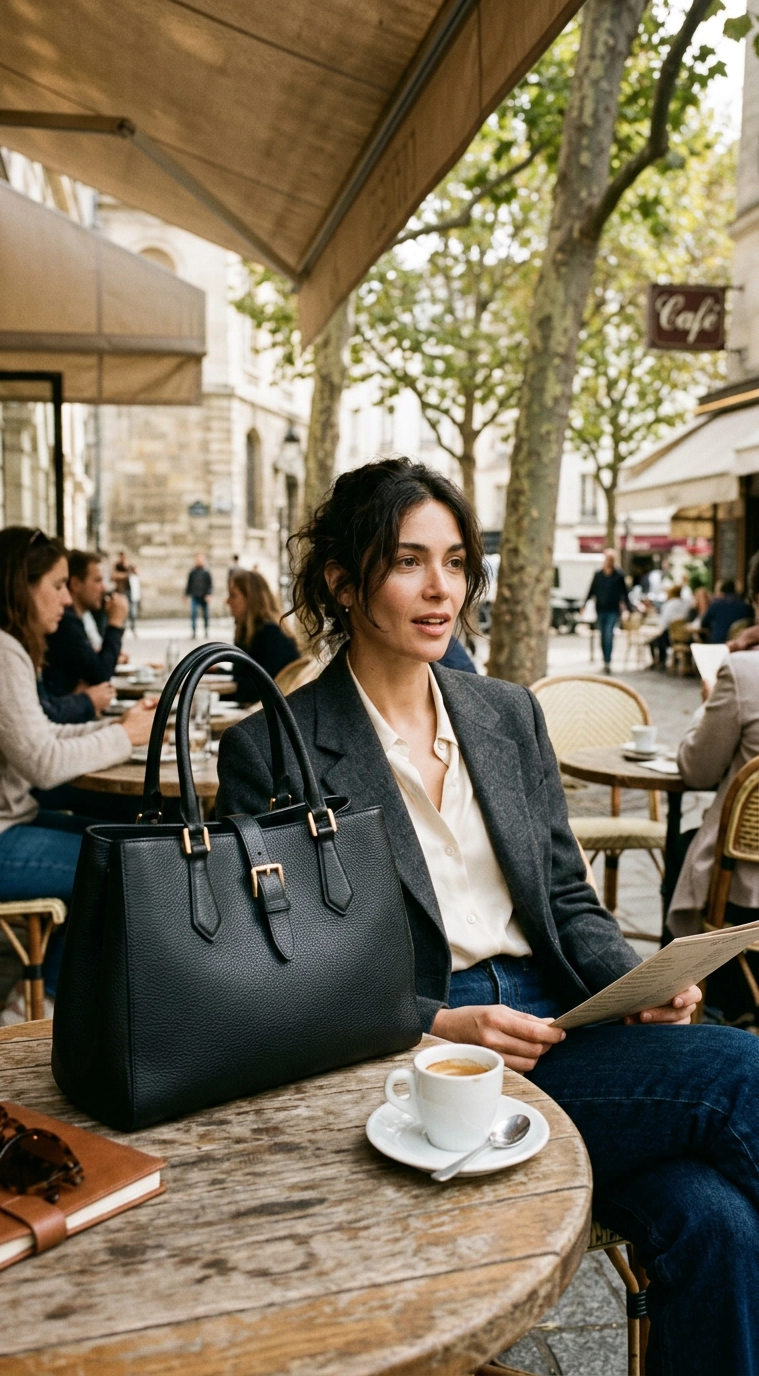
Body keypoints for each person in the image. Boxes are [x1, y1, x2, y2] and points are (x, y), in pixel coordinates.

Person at [217, 458, 759, 1376]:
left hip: (561, 1025)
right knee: (740, 1072)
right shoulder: (276, 746)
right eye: (409, 562)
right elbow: (283, 969)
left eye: (458, 561)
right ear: (345, 581)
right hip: (421, 1060)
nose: (442, 590)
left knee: (719, 1226)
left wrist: (633, 986)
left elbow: (568, 897)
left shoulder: (504, 714)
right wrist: (432, 1021)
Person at [0, 527, 155, 1023]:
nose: (66, 598)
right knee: (126, 866)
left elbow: (37, 735)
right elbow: (41, 762)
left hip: (10, 823)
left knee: (128, 840)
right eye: (58, 584)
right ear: (22, 584)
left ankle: (60, 991)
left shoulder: (5, 646)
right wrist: (124, 736)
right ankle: (39, 1005)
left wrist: (114, 727)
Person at [667, 553, 759, 1015]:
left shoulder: (743, 672)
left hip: (746, 890)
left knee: (683, 851)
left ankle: (685, 1001)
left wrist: (707, 703)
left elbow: (696, 771)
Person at [42, 549, 127, 697]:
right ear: (75, 584)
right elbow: (100, 674)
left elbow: (95, 665)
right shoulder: (65, 621)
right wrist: (114, 624)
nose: (104, 588)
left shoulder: (80, 617)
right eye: (97, 580)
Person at [226, 569, 299, 700]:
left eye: (233, 595)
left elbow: (261, 687)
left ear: (250, 598)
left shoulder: (270, 634)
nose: (227, 601)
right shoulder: (249, 632)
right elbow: (246, 676)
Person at [582, 549, 629, 673]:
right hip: (600, 609)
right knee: (602, 636)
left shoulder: (619, 575)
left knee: (609, 634)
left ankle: (608, 661)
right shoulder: (598, 574)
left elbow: (625, 593)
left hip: (613, 610)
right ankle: (605, 659)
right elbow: (591, 590)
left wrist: (628, 609)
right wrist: (584, 604)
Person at [646, 583, 687, 670]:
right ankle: (663, 661)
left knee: (654, 641)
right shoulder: (685, 604)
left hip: (671, 634)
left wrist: (659, 629)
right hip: (684, 635)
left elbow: (664, 621)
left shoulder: (669, 604)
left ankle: (659, 661)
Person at [701, 578, 754, 644]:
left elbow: (704, 623)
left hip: (718, 643)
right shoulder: (746, 606)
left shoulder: (716, 604)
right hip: (740, 644)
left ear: (721, 591)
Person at [185, 553, 213, 637]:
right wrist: (186, 594)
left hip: (204, 596)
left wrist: (209, 594)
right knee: (194, 613)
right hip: (195, 595)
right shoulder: (192, 572)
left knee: (206, 614)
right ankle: (194, 631)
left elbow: (210, 584)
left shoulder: (206, 572)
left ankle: (206, 629)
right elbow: (189, 584)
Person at [127, 565, 141, 634]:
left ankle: (133, 626)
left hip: (135, 597)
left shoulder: (136, 577)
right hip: (131, 597)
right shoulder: (130, 577)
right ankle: (132, 626)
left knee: (134, 612)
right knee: (132, 612)